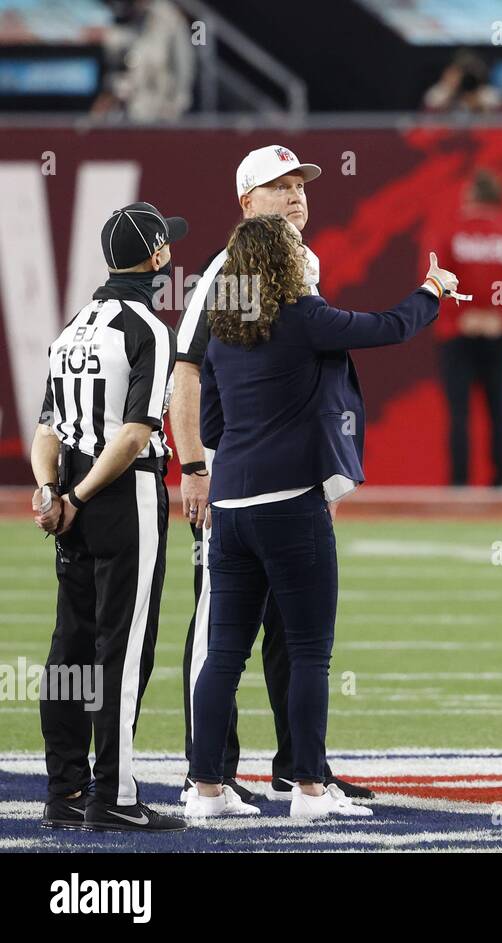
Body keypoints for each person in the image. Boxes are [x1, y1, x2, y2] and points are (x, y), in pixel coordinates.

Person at [185, 214, 459, 820]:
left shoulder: (225, 334)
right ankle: (308, 788)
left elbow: (210, 427)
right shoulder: (302, 317)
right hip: (290, 503)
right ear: (285, 263)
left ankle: (206, 788)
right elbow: (386, 328)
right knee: (309, 651)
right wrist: (432, 291)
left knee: (224, 652)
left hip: (230, 507)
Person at [173, 144, 371, 804]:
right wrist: (195, 464)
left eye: (300, 185)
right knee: (220, 627)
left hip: (288, 473)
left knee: (291, 628)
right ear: (245, 203)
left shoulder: (297, 263)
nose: (295, 196)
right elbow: (188, 370)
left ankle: (298, 765)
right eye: (277, 186)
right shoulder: (227, 269)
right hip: (235, 474)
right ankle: (209, 769)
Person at [31, 202, 186, 832]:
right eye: (165, 245)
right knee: (122, 648)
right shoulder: (146, 326)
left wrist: (53, 493)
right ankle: (114, 796)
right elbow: (134, 433)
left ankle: (65, 790)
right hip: (120, 496)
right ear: (155, 257)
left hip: (71, 495)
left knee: (70, 644)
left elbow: (47, 425)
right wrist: (84, 496)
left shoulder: (74, 326)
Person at [427, 169, 502, 486]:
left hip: (457, 336)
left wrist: (460, 315)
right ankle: (500, 485)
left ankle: (459, 487)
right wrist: (501, 317)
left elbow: (433, 278)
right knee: (498, 410)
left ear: (470, 197)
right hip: (496, 335)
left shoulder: (450, 229)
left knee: (459, 414)